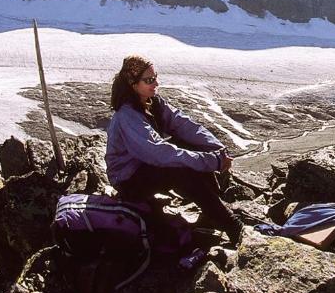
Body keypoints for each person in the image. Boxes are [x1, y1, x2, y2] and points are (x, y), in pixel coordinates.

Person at [104, 55, 244, 243]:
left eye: (155, 77)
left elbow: (182, 124)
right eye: (149, 80)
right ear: (133, 84)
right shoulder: (127, 116)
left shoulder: (151, 102)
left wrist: (216, 149)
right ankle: (231, 225)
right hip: (128, 179)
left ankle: (211, 213)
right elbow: (158, 153)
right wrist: (212, 162)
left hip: (144, 166)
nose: (156, 83)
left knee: (191, 150)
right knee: (180, 170)